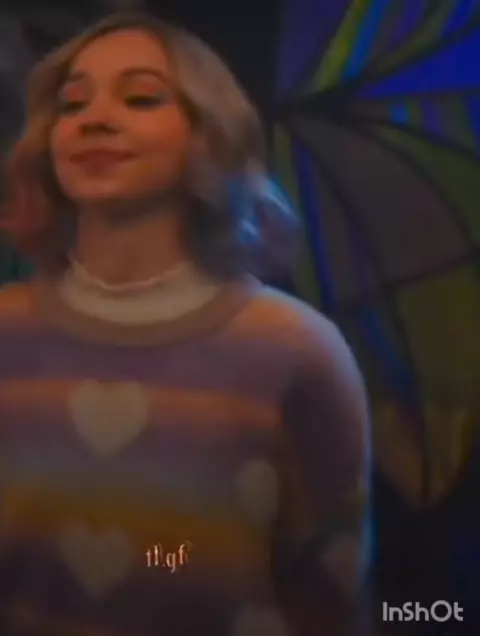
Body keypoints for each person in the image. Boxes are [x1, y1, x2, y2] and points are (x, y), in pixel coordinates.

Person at [0, 11, 370, 636]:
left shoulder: (296, 351)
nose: (94, 118)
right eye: (73, 103)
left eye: (141, 97)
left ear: (209, 137)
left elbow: (332, 592)